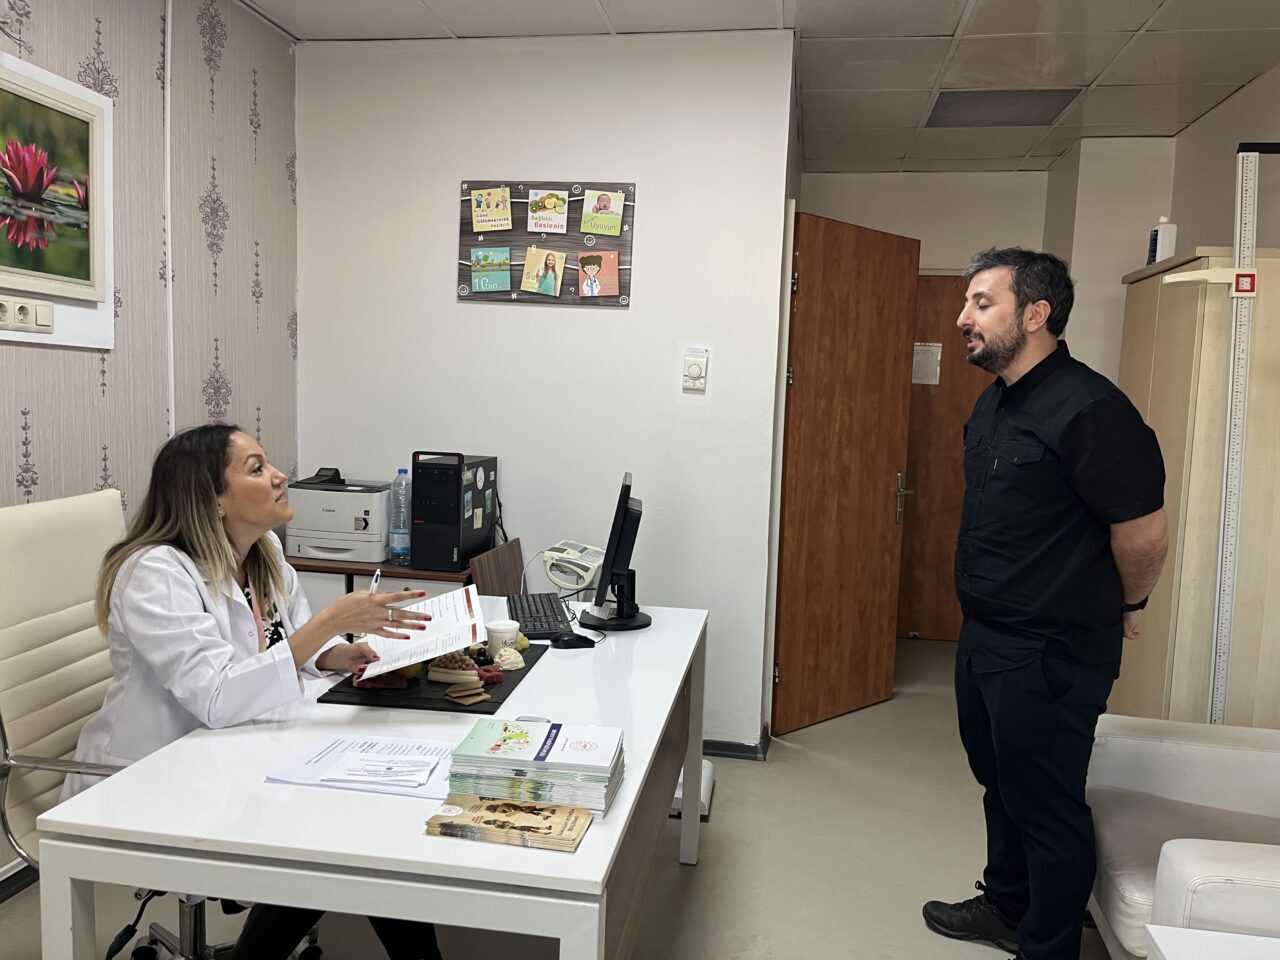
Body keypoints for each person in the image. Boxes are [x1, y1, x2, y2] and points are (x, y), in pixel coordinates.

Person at [63, 424, 445, 960]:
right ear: (213, 500)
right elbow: (217, 697)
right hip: (150, 776)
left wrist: (335, 653)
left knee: (363, 819)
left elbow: (286, 640)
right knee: (330, 836)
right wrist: (330, 623)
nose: (280, 475)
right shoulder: (156, 572)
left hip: (239, 751)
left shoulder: (261, 551)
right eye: (257, 468)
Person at [922, 249, 1168, 960]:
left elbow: (1143, 531)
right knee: (1000, 781)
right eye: (967, 303)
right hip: (987, 636)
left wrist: (1132, 601)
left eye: (981, 303)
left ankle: (1049, 946)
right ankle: (1008, 904)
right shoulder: (996, 400)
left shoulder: (1093, 411)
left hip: (1052, 649)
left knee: (1047, 802)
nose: (963, 318)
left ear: (1036, 314)